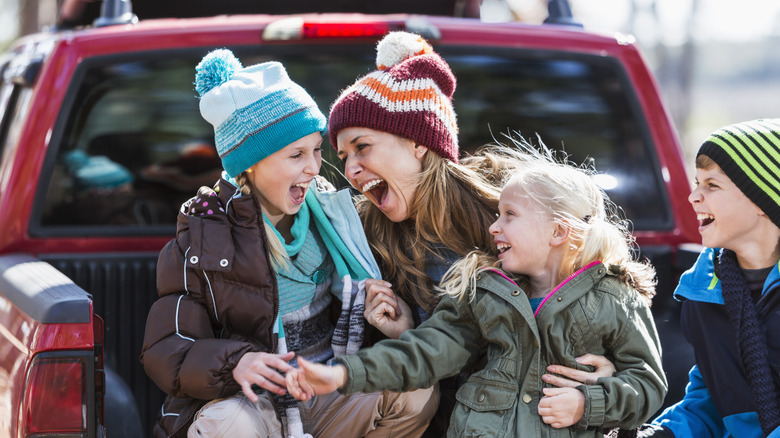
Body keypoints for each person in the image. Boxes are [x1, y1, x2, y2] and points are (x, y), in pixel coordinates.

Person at [326, 30, 618, 435]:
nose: (351, 169)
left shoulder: (512, 213)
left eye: (362, 147)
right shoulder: (363, 239)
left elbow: (588, 319)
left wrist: (607, 372)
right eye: (343, 156)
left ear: (417, 143)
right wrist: (407, 333)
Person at [140, 49, 436, 438]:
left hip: (325, 387)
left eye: (316, 150)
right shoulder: (202, 236)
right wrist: (236, 363)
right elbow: (166, 348)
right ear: (250, 164)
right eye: (296, 154)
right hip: (255, 401)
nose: (314, 167)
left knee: (414, 388)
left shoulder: (335, 217)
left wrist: (395, 327)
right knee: (224, 426)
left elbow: (361, 333)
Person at [286, 142, 668, 437]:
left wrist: (587, 403)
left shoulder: (615, 298)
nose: (493, 228)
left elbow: (648, 386)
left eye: (510, 216)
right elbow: (426, 352)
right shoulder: (484, 292)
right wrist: (344, 375)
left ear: (558, 231)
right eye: (497, 214)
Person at [638, 119, 780, 438]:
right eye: (696, 183)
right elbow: (716, 402)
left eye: (711, 185)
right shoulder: (705, 292)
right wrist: (663, 435)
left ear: (762, 200)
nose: (693, 197)